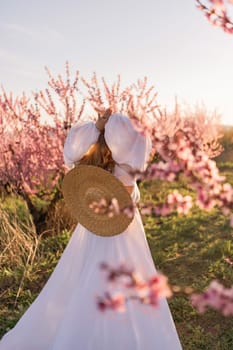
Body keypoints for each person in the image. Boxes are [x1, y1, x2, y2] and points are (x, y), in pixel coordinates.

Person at [0, 110, 183, 350]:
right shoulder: (127, 170)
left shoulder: (90, 164)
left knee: (86, 277)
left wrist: (98, 127)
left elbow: (77, 151)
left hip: (93, 228)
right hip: (124, 232)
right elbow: (138, 149)